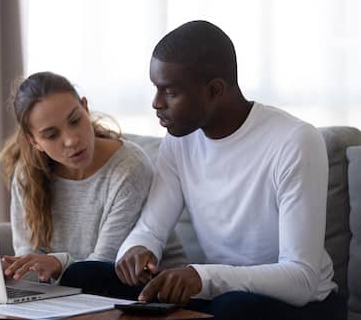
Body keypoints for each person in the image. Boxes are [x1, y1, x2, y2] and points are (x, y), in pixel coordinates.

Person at [114, 21, 346, 320]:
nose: (156, 103)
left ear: (215, 90)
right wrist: (136, 250)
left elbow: (301, 279)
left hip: (305, 306)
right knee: (89, 275)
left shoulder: (294, 140)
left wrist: (201, 277)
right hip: (222, 297)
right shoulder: (179, 141)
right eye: (156, 89)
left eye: (169, 91)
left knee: (233, 307)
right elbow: (150, 230)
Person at [0, 71, 186, 297]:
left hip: (148, 293)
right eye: (51, 135)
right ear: (33, 141)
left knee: (84, 276)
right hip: (73, 298)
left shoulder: (129, 168)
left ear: (85, 108)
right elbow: (28, 259)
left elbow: (102, 267)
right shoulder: (27, 175)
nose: (71, 140)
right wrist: (12, 274)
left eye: (75, 121)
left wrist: (57, 264)